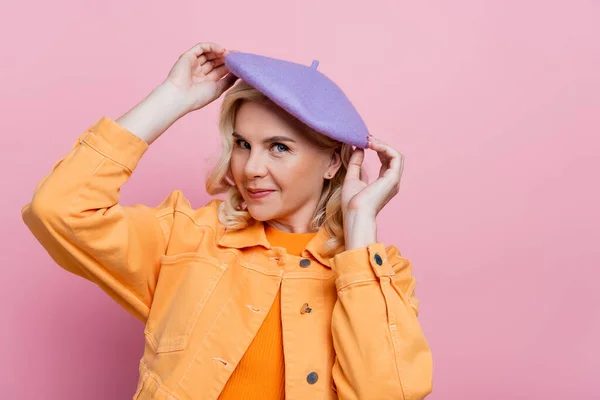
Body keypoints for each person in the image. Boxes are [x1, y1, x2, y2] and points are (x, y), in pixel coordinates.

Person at [21, 41, 433, 400]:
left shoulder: (380, 274)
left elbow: (387, 392)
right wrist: (172, 98)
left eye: (278, 148)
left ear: (332, 162)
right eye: (241, 144)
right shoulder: (186, 239)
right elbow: (58, 209)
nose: (250, 167)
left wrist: (360, 228)